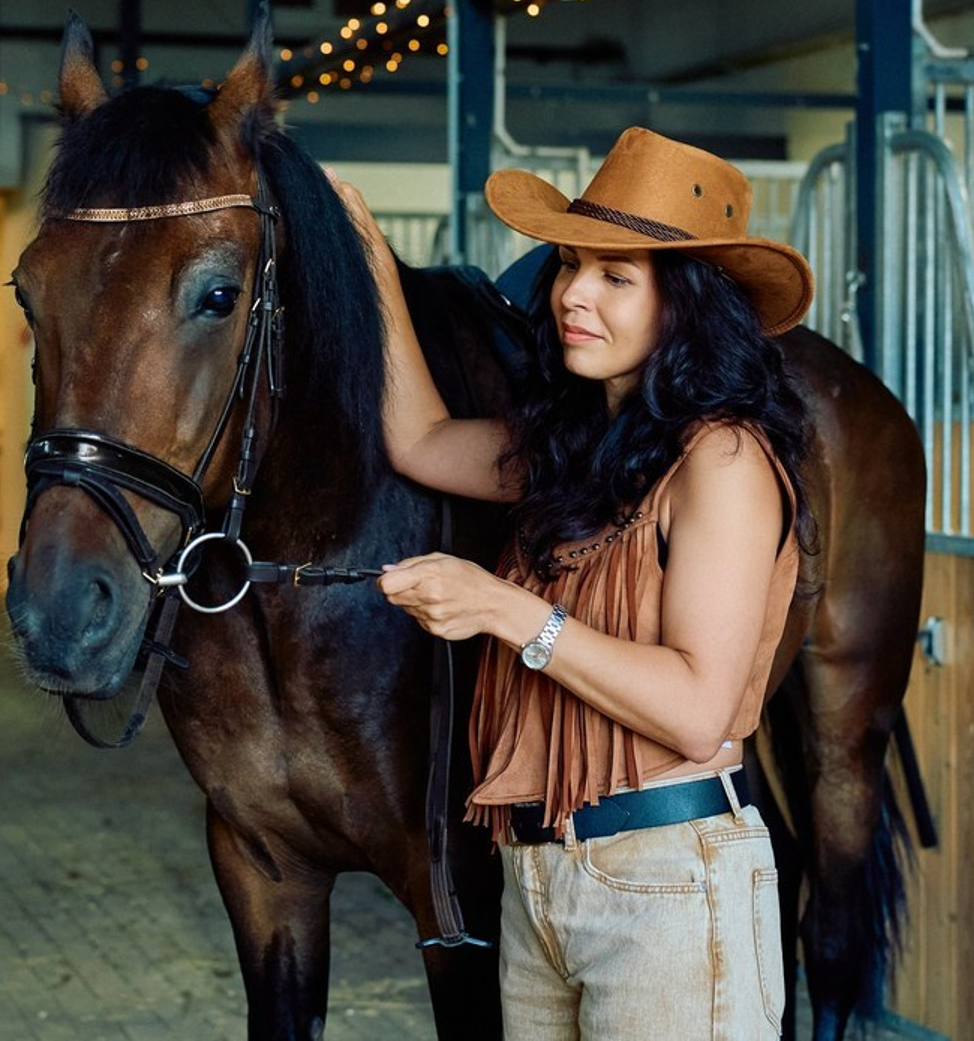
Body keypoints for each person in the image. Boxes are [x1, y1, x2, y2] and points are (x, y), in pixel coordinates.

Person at [332, 126, 814, 1040]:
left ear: (687, 309)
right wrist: (368, 258)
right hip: (543, 878)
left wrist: (505, 610)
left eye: (615, 277)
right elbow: (421, 440)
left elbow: (697, 708)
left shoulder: (722, 460)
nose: (571, 296)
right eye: (569, 266)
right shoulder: (579, 446)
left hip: (671, 883)